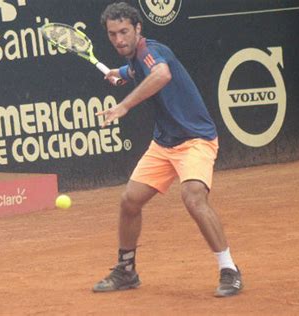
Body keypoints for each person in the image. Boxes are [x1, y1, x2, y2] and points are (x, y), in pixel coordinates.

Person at [93, 2, 243, 297]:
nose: (119, 39)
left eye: (124, 31)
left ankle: (229, 269)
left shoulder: (151, 51)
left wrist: (124, 104)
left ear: (138, 29)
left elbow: (161, 74)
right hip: (164, 143)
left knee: (194, 198)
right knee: (129, 201)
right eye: (113, 34)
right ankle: (126, 271)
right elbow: (135, 70)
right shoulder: (137, 59)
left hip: (195, 140)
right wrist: (119, 73)